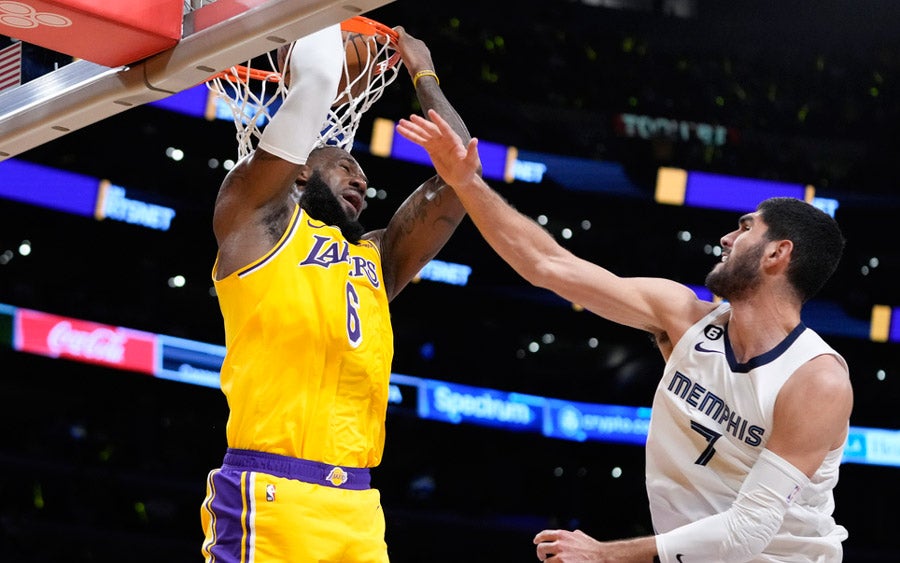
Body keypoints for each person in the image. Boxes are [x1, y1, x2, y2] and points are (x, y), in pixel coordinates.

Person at [396, 109, 852, 563]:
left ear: (777, 253)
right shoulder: (684, 317)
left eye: (745, 227)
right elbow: (549, 266)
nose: (727, 238)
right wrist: (466, 182)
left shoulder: (816, 381)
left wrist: (604, 555)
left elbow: (747, 531)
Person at [200, 25, 476, 562]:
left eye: (362, 173)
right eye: (346, 164)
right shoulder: (254, 222)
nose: (362, 179)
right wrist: (313, 21)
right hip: (272, 492)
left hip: (358, 508)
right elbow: (318, 81)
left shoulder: (376, 258)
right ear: (300, 170)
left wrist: (424, 75)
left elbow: (459, 176)